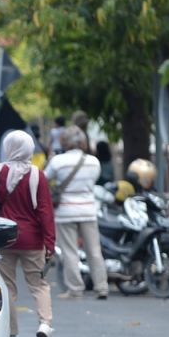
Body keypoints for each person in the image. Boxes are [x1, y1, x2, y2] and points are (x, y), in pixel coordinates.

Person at [0, 130, 56, 337]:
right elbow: (45, 211)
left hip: (4, 238)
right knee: (39, 284)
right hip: (33, 239)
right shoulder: (37, 175)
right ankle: (45, 324)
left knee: (8, 287)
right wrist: (50, 243)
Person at [45, 125, 108, 300]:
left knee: (70, 251)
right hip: (89, 210)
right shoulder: (93, 162)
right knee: (94, 251)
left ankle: (75, 288)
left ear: (64, 141)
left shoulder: (58, 161)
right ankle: (102, 286)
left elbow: (44, 179)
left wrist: (50, 160)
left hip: (66, 211)